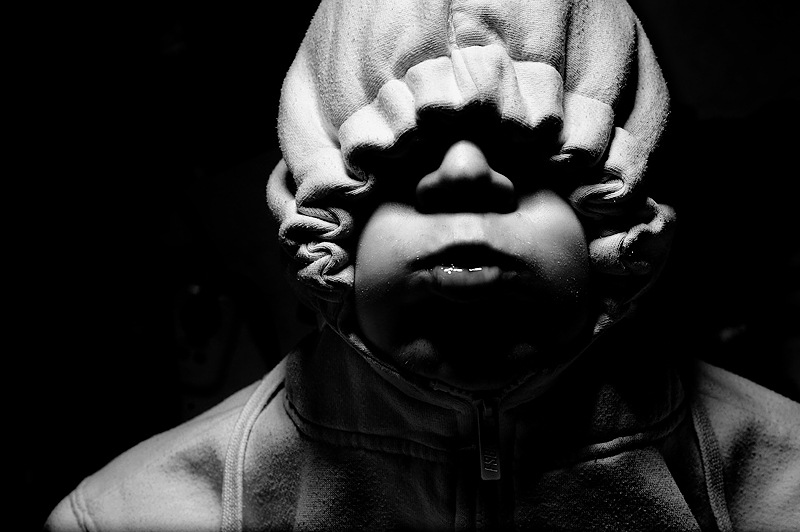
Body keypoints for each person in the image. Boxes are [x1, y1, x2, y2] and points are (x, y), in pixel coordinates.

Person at [46, 0, 799, 530]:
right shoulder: (138, 514)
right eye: (401, 165)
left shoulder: (776, 480)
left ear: (618, 225)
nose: (463, 176)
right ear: (325, 233)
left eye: (528, 155)